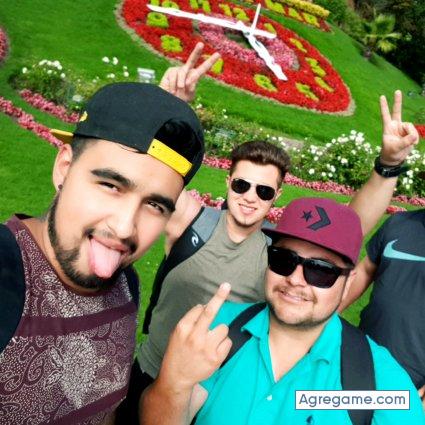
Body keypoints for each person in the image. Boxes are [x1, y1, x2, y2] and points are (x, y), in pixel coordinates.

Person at [133, 87, 419, 406]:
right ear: (228, 182)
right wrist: (171, 108)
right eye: (242, 185)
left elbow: (351, 226)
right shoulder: (192, 221)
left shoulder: (281, 257)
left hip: (219, 390)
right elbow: (155, 174)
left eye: (264, 191)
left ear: (277, 195)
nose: (250, 197)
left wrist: (388, 165)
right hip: (153, 371)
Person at [0, 81, 206, 424]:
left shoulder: (126, 285)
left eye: (155, 205)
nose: (124, 228)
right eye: (111, 185)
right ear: (65, 168)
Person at [140, 197, 425, 424]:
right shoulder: (218, 327)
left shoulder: (379, 381)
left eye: (320, 270)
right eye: (283, 259)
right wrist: (174, 385)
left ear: (348, 281)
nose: (295, 279)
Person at [340, 183, 425, 399]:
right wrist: (326, 314)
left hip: (414, 380)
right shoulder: (399, 223)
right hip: (362, 357)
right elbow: (366, 269)